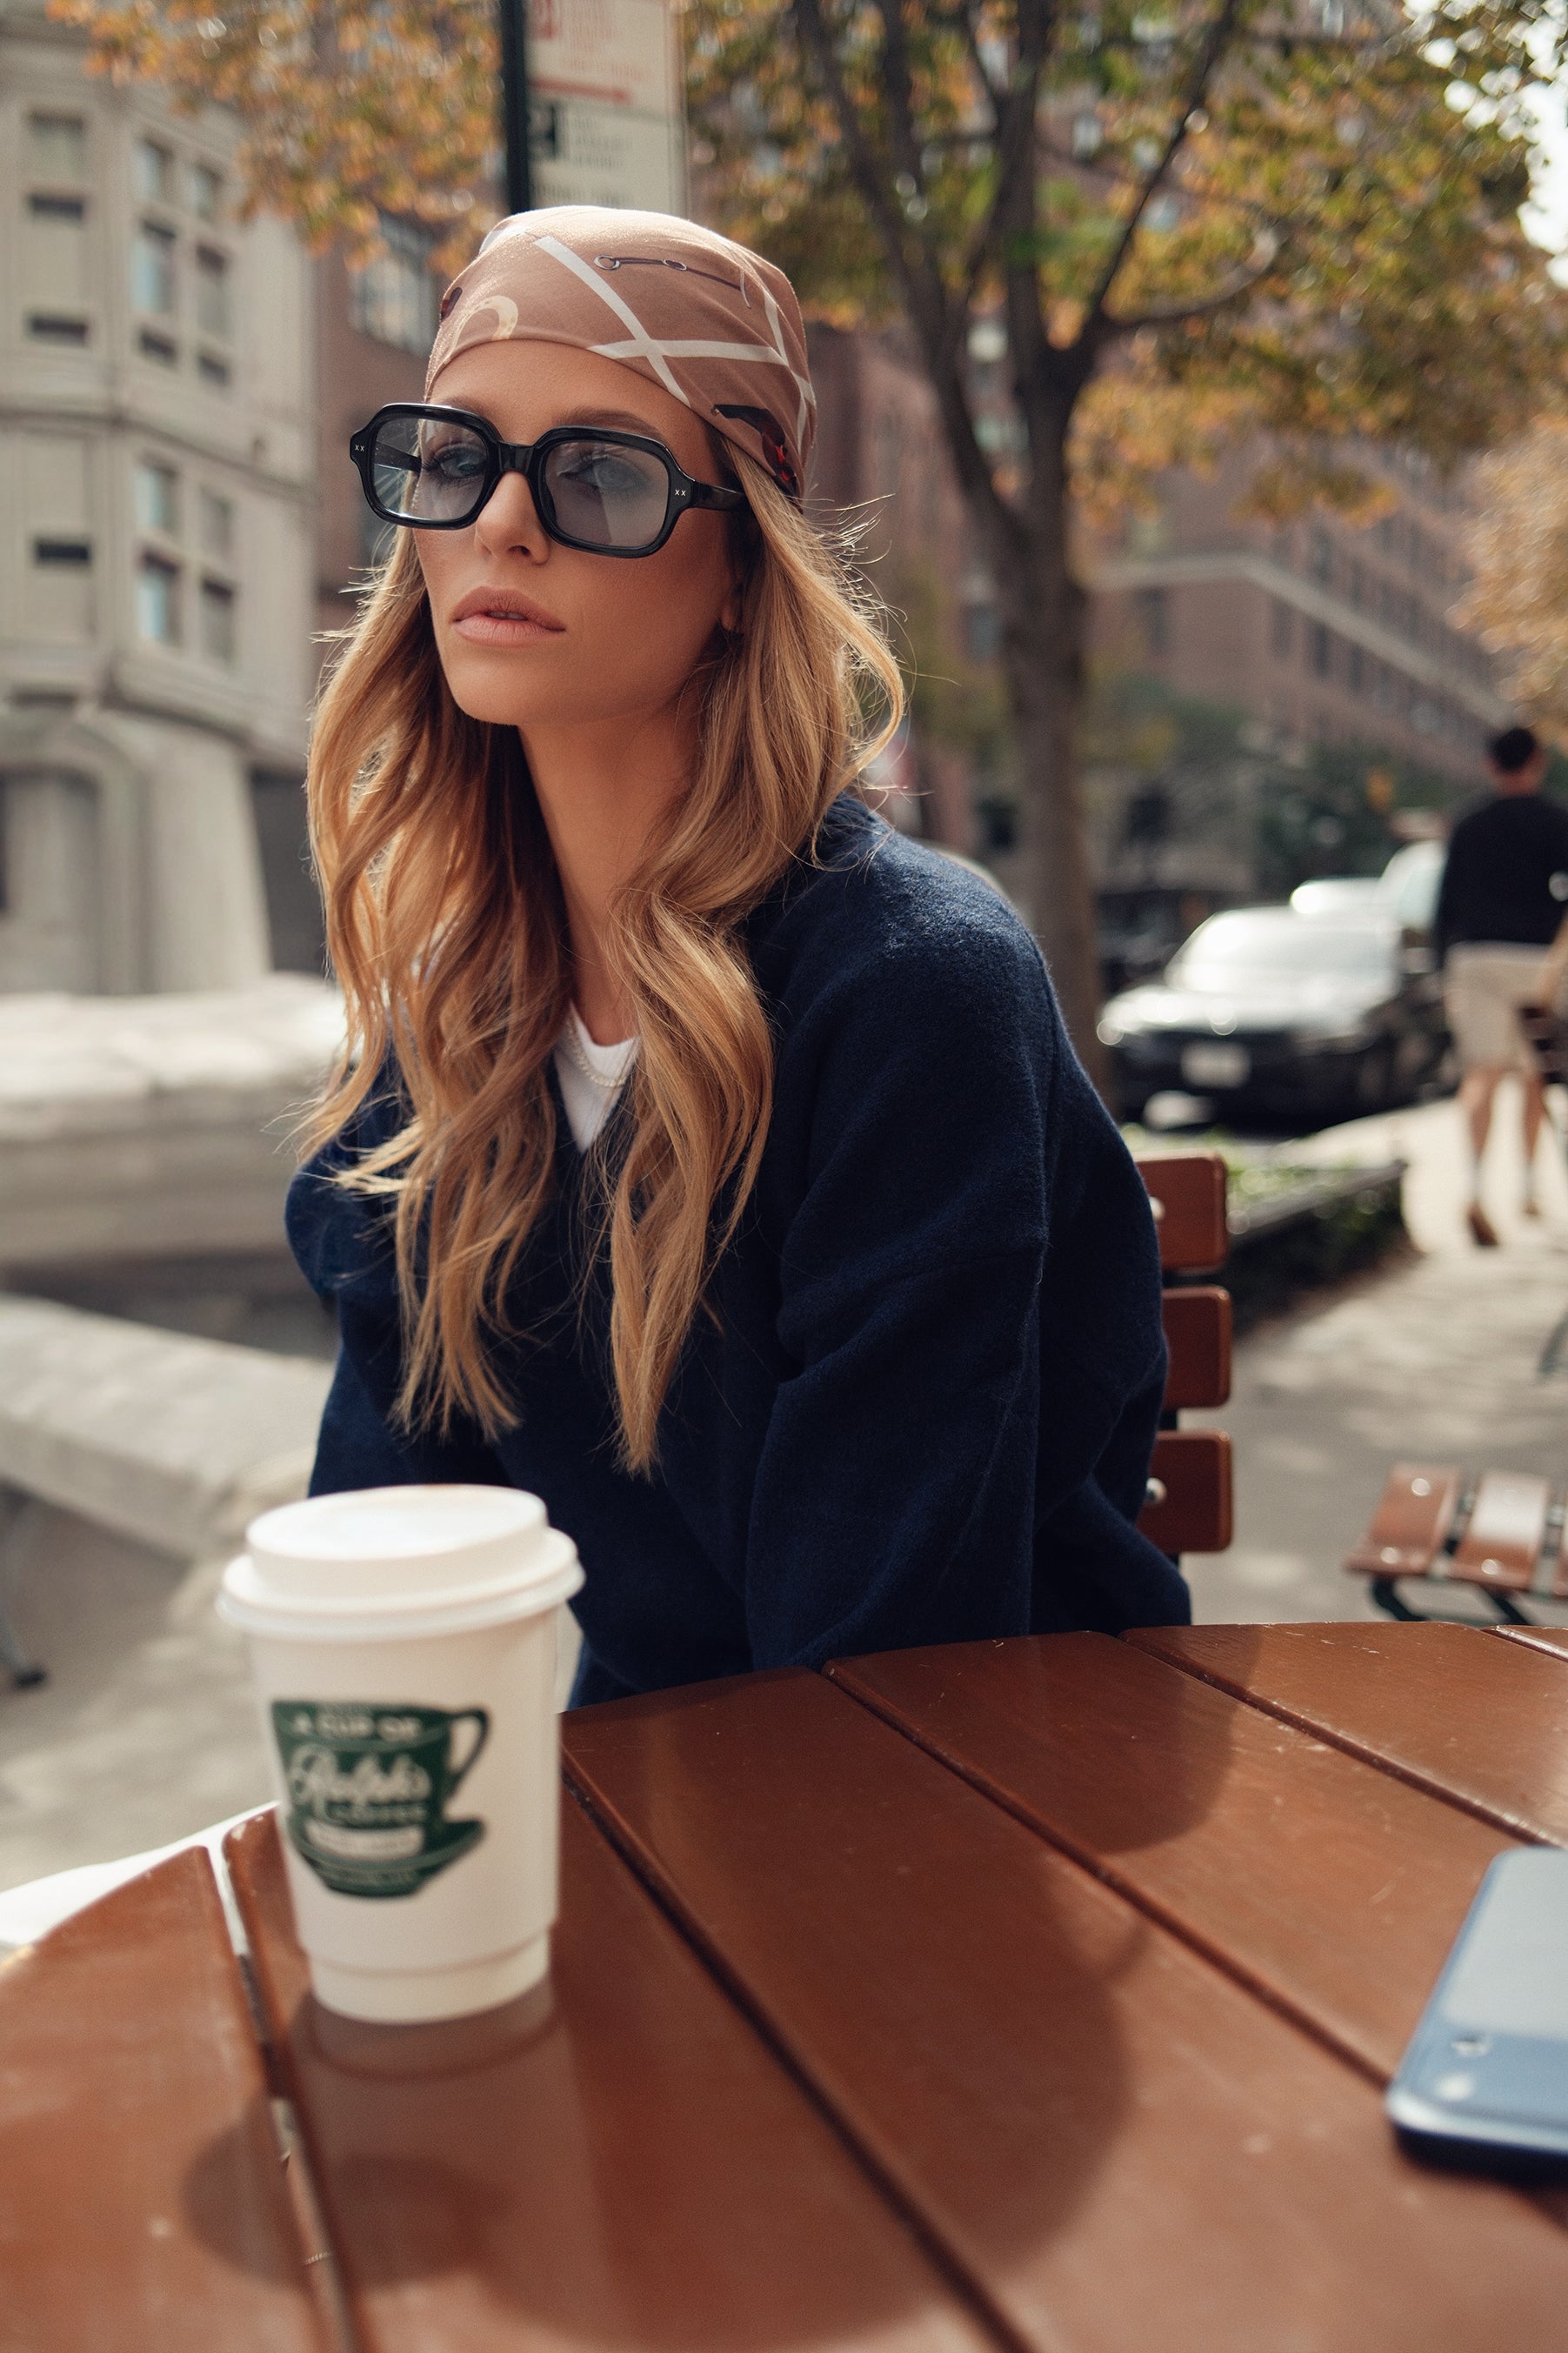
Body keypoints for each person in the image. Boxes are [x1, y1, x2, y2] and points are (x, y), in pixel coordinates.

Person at [286, 205, 1189, 1707]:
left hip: (996, 1798)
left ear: (737, 575)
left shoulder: (909, 987)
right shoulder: (444, 1025)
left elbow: (881, 1662)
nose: (499, 525)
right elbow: (382, 1585)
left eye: (597, 474)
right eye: (453, 458)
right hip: (662, 1812)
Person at [1435, 725, 1568, 1245]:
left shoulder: (1468, 825)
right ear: (1537, 761)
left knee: (1481, 1074)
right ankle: (1531, 1188)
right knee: (1535, 1076)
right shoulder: (1558, 821)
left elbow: (1444, 905)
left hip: (1476, 958)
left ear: (1491, 765)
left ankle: (1471, 1186)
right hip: (1539, 962)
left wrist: (1444, 970)